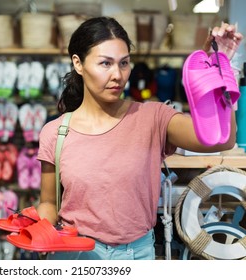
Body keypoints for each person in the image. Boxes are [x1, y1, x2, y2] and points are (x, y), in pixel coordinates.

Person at [35, 16, 243, 260]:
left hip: (136, 255)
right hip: (74, 254)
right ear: (78, 64)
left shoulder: (153, 117)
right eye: (105, 64)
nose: (118, 75)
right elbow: (48, 202)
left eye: (124, 63)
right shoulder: (56, 132)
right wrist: (41, 237)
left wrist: (219, 70)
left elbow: (222, 140)